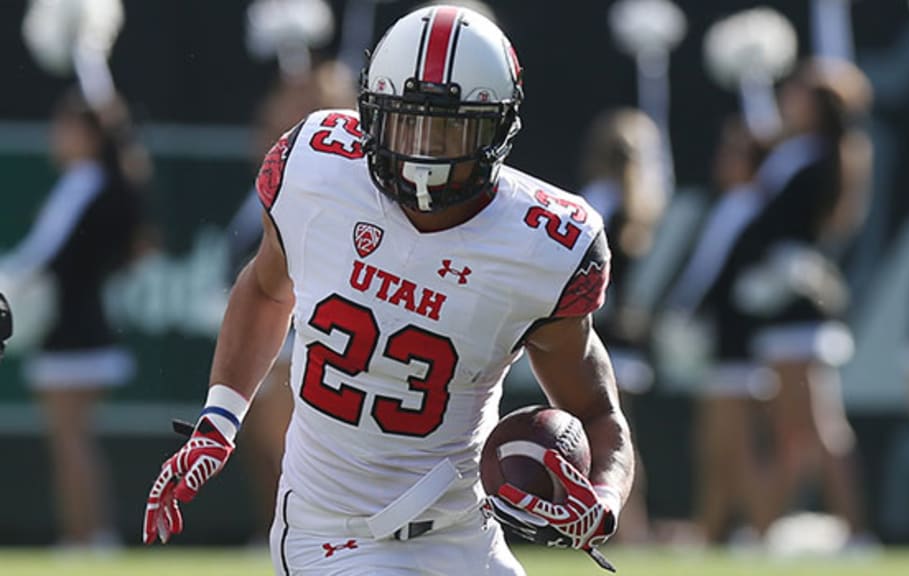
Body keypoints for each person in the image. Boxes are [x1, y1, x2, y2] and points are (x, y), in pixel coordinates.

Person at [142, 5, 634, 575]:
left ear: (499, 128)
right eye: (407, 120)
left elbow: (596, 412)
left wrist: (600, 501)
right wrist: (220, 420)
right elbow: (265, 287)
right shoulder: (317, 169)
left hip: (463, 534)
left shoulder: (545, 245)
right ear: (371, 112)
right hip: (330, 536)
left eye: (448, 126)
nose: (423, 149)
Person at [731, 58, 873, 544]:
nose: (788, 99)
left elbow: (783, 229)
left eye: (797, 93)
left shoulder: (818, 158)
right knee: (794, 431)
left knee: (819, 427)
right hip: (782, 311)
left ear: (816, 105)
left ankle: (855, 532)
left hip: (798, 311)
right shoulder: (800, 153)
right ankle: (766, 529)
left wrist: (773, 265)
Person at [0, 88, 147, 548]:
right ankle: (84, 534)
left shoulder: (86, 181)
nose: (54, 136)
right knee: (70, 442)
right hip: (72, 330)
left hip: (75, 333)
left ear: (86, 135)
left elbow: (42, 258)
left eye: (63, 127)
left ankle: (91, 535)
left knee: (71, 442)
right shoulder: (93, 181)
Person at [224, 58, 357, 542]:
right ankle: (277, 534)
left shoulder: (331, 185)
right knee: (261, 443)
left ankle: (317, 537)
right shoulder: (266, 183)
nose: (263, 129)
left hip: (309, 334)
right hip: (270, 332)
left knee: (292, 448)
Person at [666, 116, 775, 544]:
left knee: (737, 447)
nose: (722, 160)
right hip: (720, 345)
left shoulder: (754, 208)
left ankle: (763, 532)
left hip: (743, 347)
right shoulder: (727, 206)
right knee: (715, 448)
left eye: (733, 153)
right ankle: (712, 533)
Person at [577, 107, 668, 544]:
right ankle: (635, 527)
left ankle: (629, 529)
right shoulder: (640, 202)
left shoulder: (598, 200)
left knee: (605, 441)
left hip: (596, 337)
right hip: (628, 336)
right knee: (617, 436)